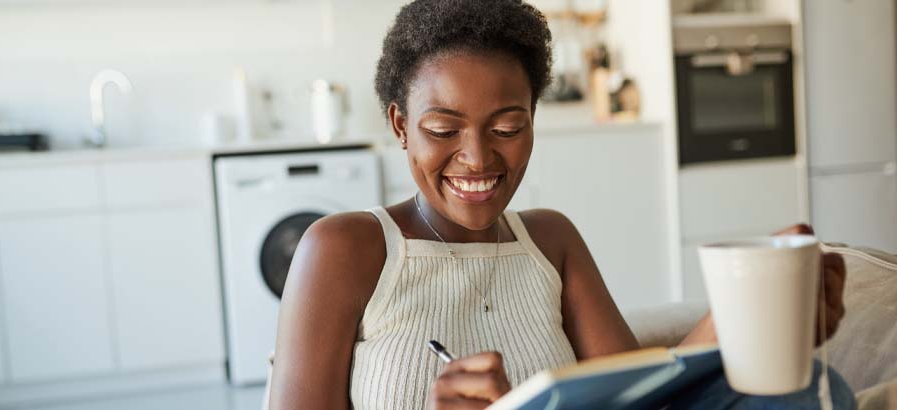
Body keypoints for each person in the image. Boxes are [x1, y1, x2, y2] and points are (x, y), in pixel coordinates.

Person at [268, 1, 854, 409]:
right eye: (444, 129)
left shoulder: (551, 240)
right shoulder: (345, 249)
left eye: (507, 126)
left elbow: (643, 390)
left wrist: (754, 315)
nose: (476, 158)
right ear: (401, 125)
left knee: (803, 387)